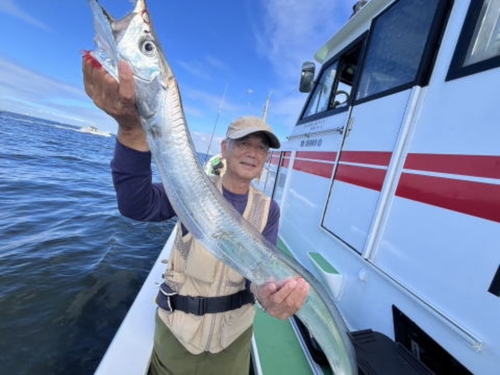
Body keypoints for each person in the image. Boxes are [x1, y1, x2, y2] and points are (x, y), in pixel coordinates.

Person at [83, 58, 310, 375]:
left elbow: (259, 275)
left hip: (232, 341)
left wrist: (269, 298)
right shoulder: (191, 187)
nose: (252, 152)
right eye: (243, 142)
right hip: (178, 335)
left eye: (261, 148)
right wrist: (131, 132)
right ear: (225, 148)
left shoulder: (268, 209)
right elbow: (136, 205)